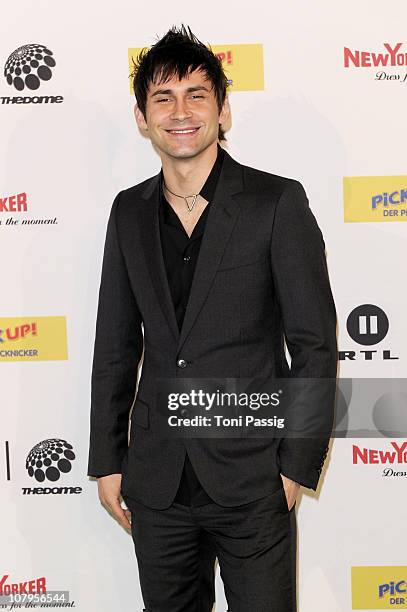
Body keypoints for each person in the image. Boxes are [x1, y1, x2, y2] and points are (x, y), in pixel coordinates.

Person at [87, 24, 338, 612]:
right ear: (142, 117)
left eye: (197, 95)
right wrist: (106, 459)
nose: (180, 112)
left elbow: (314, 344)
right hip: (157, 479)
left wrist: (297, 466)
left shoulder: (276, 202)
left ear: (223, 110)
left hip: (253, 478)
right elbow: (115, 345)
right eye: (163, 98)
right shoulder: (128, 211)